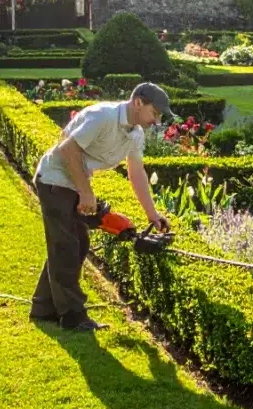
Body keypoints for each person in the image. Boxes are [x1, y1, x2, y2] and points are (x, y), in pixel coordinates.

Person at [29, 82, 173, 331]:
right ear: (138, 102)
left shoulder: (135, 134)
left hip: (73, 183)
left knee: (76, 244)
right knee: (66, 246)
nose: (156, 120)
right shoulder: (103, 117)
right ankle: (73, 317)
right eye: (155, 113)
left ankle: (43, 307)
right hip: (54, 180)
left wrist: (153, 215)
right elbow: (67, 148)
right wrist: (85, 191)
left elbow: (136, 172)